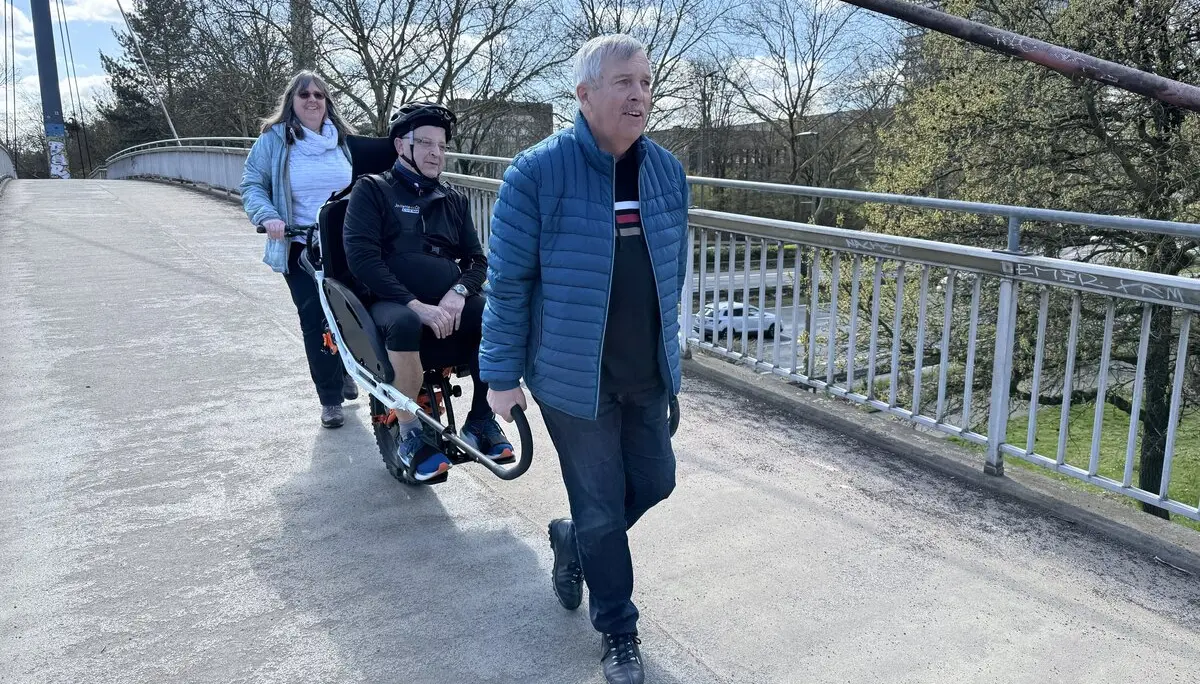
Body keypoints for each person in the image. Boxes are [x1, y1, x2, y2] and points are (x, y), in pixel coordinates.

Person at [481, 34, 689, 684]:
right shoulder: (536, 173)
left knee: (654, 482)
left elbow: (672, 274)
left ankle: (573, 540)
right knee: (601, 508)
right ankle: (618, 632)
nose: (639, 95)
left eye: (646, 83)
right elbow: (507, 282)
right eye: (624, 82)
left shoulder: (667, 172)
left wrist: (670, 360)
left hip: (645, 373)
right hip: (574, 380)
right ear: (584, 94)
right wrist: (499, 375)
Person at [342, 102, 513, 482]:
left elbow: (477, 260)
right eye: (425, 143)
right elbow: (363, 259)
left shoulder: (453, 199)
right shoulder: (372, 189)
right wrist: (415, 305)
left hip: (446, 300)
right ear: (401, 146)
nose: (436, 152)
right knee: (404, 322)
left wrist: (459, 292)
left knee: (494, 313)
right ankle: (410, 434)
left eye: (442, 145)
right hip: (390, 302)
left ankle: (480, 420)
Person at [240, 70, 359, 428]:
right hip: (299, 244)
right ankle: (330, 398)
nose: (312, 100)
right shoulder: (275, 140)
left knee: (350, 313)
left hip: (344, 244)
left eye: (319, 95)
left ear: (327, 102)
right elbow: (252, 184)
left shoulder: (345, 140)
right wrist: (268, 216)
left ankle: (344, 368)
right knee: (315, 317)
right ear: (291, 101)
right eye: (304, 94)